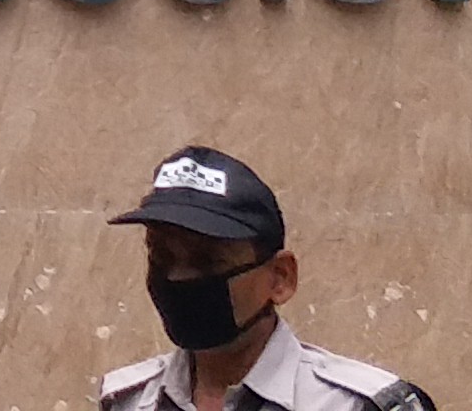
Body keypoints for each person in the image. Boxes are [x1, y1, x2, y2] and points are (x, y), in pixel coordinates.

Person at [100, 145, 436, 409]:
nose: (178, 277)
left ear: (280, 278)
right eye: (161, 256)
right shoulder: (129, 401)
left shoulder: (359, 405)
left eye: (208, 260)